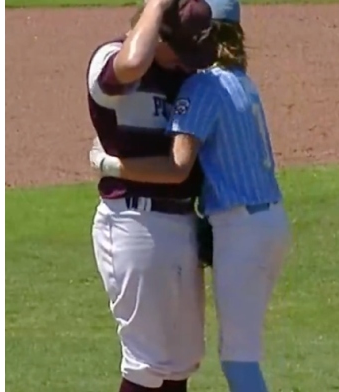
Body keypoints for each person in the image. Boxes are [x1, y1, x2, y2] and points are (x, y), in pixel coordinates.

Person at [91, 1, 291, 391]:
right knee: (155, 363)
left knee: (192, 363)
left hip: (213, 225)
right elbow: (129, 65)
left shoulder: (198, 82)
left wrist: (109, 164)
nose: (189, 62)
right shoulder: (235, 81)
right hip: (150, 221)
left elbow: (178, 167)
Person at [85, 0, 217, 390]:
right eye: (182, 50)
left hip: (180, 223)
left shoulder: (183, 76)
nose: (188, 62)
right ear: (156, 30)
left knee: (180, 363)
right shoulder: (110, 60)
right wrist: (158, 4)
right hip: (133, 220)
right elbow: (131, 63)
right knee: (147, 364)